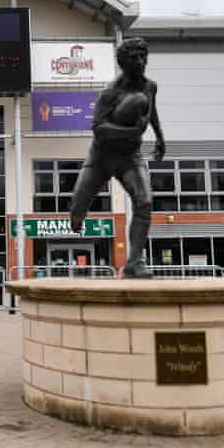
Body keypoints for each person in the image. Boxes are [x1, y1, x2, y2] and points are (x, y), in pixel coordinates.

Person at [69, 37, 166, 279]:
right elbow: (99, 129)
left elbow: (151, 110)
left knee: (144, 202)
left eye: (144, 56)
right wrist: (133, 132)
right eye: (135, 58)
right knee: (77, 206)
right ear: (123, 62)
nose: (141, 62)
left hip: (129, 157)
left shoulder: (150, 86)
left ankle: (134, 262)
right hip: (101, 157)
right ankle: (77, 213)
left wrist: (160, 137)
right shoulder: (110, 93)